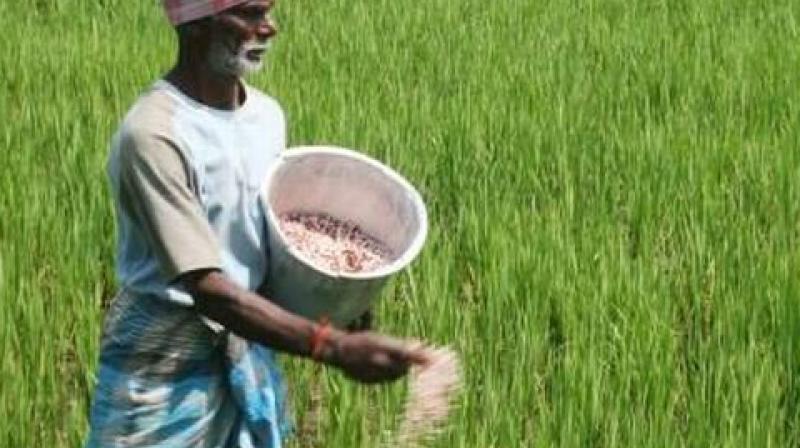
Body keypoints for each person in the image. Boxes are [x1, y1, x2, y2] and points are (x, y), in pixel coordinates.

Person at [85, 1, 428, 446]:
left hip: (247, 338)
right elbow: (206, 287)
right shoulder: (153, 134)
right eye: (248, 14)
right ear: (196, 25)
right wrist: (332, 346)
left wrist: (343, 300)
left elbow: (266, 242)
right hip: (165, 361)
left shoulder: (266, 116)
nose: (268, 28)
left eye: (267, 12)